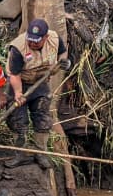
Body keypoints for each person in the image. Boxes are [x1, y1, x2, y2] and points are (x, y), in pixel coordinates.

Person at [5, 19, 69, 168]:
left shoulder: (54, 38)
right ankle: (19, 154)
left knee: (43, 119)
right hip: (18, 82)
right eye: (30, 40)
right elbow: (14, 75)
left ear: (45, 37)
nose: (32, 43)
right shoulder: (18, 48)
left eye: (36, 41)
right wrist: (18, 94)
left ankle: (41, 153)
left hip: (40, 82)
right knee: (17, 120)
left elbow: (63, 53)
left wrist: (63, 62)